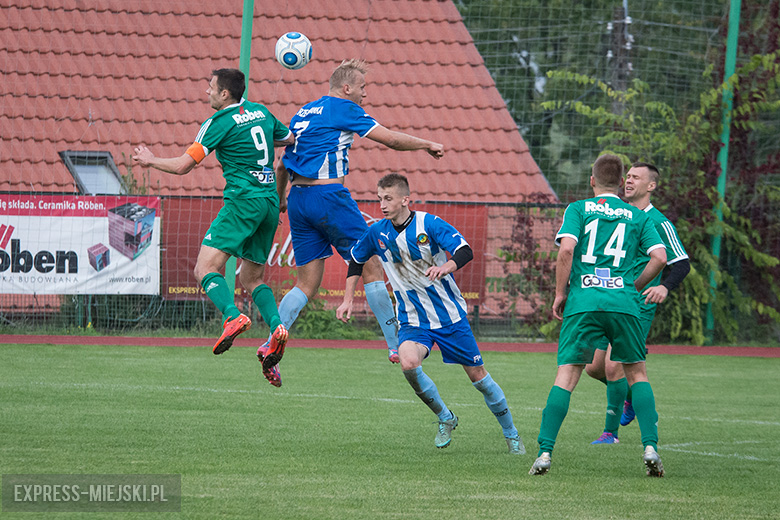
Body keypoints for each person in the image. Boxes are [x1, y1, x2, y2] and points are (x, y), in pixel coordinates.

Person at [260, 59, 444, 384]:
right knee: (372, 263)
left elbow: (280, 165)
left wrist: (282, 200)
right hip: (329, 197)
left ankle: (271, 341)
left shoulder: (303, 113)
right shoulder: (343, 108)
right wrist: (425, 144)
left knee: (306, 283)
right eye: (362, 89)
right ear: (347, 88)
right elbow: (389, 139)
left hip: (299, 199)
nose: (365, 95)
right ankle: (394, 345)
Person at [336, 173, 525, 454]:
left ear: (405, 199)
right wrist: (347, 299)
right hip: (413, 319)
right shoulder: (378, 233)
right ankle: (445, 417)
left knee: (479, 378)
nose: (383, 205)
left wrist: (447, 267)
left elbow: (464, 250)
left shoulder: (430, 224)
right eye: (379, 199)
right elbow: (356, 260)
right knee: (408, 363)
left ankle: (512, 435)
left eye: (388, 199)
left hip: (450, 317)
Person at [132, 68, 291, 385]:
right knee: (251, 276)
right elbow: (288, 140)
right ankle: (276, 327)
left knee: (205, 269)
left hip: (242, 202)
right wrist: (280, 186)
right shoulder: (261, 111)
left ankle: (232, 317)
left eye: (210, 88)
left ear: (224, 94)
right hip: (269, 203)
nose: (206, 92)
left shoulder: (217, 124)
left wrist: (150, 160)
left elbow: (182, 166)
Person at [529, 154, 668, 477]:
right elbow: (660, 257)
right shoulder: (637, 215)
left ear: (592, 181)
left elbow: (566, 250)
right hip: (623, 302)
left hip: (584, 301)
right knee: (637, 374)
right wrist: (633, 286)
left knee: (566, 376)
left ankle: (545, 453)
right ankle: (650, 447)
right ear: (622, 183)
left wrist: (561, 293)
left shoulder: (578, 209)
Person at [585, 162, 690, 445]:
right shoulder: (622, 216)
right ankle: (633, 397)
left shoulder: (658, 222)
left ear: (651, 186)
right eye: (627, 176)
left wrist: (664, 288)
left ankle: (610, 433)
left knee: (612, 367)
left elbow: (680, 264)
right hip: (608, 301)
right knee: (592, 367)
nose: (628, 181)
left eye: (636, 178)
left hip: (637, 306)